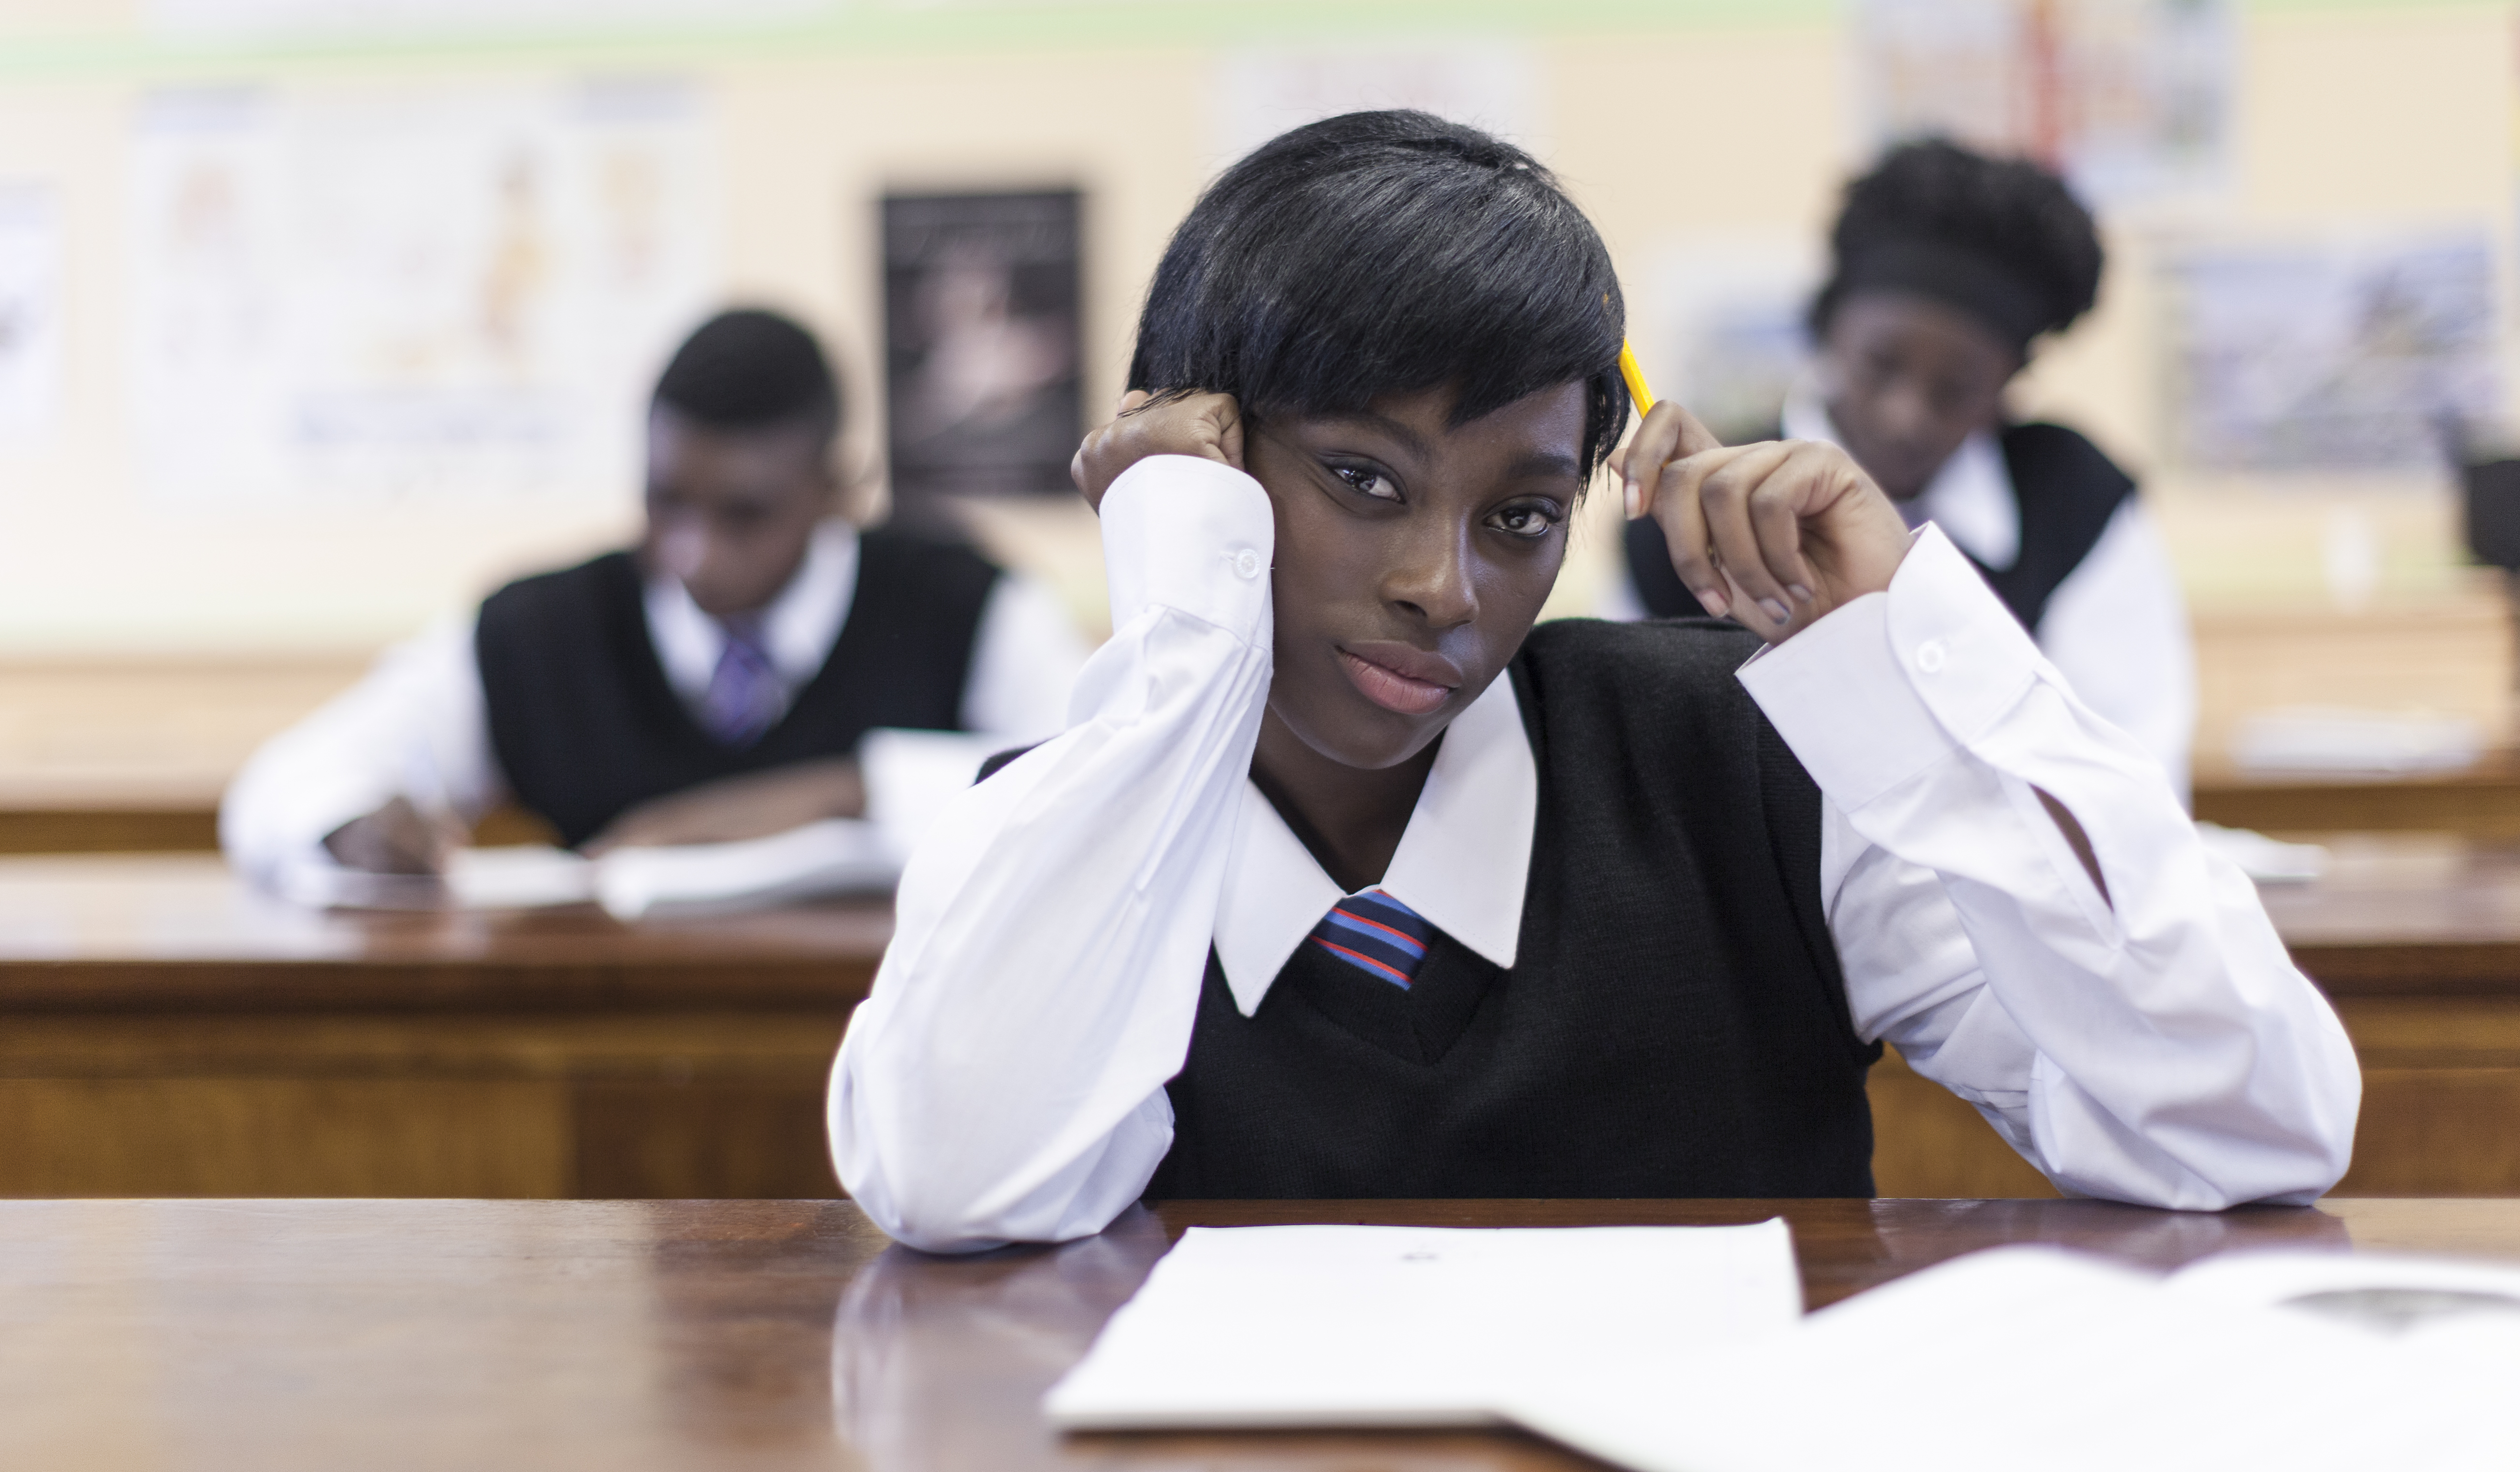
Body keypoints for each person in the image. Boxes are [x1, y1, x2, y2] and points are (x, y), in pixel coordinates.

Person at [827, 112, 2357, 1252]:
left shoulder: (1759, 777)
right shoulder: (1056, 825)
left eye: (1522, 515)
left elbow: (2245, 1124)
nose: (1446, 583)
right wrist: (1178, 648)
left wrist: (1912, 664)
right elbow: (960, 1183)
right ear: (1194, 463)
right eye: (1362, 479)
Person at [223, 308, 1091, 906]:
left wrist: (849, 790)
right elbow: (280, 787)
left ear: (836, 490)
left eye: (744, 513)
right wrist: (350, 826)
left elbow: (1098, 782)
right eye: (664, 503)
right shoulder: (541, 627)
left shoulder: (964, 604)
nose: (692, 554)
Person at [1619, 139, 2196, 792]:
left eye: (1957, 390)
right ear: (1826, 326)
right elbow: (1642, 777)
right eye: (1880, 364)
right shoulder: (1697, 503)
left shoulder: (2075, 498)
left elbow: (2134, 774)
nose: (1906, 416)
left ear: (2011, 385)